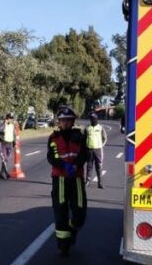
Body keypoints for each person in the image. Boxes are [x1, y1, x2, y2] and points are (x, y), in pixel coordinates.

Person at [46, 106, 90, 256]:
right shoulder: (53, 138)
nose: (65, 123)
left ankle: (72, 229)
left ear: (72, 122)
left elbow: (85, 154)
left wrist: (76, 164)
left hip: (76, 178)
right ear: (58, 122)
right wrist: (63, 165)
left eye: (68, 120)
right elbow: (51, 156)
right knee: (60, 212)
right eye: (62, 121)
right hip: (59, 179)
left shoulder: (80, 136)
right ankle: (63, 244)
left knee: (79, 213)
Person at [84, 114, 108, 188]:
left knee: (99, 166)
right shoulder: (87, 128)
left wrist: (101, 145)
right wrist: (86, 146)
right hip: (89, 149)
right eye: (91, 119)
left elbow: (104, 138)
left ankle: (100, 183)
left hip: (98, 150)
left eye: (94, 119)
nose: (92, 120)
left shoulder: (100, 128)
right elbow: (84, 138)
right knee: (89, 166)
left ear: (97, 119)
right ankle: (87, 181)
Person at [0, 113, 20, 179]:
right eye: (9, 118)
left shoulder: (13, 125)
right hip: (3, 143)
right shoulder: (2, 124)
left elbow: (14, 134)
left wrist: (14, 143)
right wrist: (4, 124)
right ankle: (4, 173)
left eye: (11, 118)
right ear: (6, 118)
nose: (11, 120)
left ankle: (2, 172)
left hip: (10, 143)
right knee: (3, 158)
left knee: (7, 159)